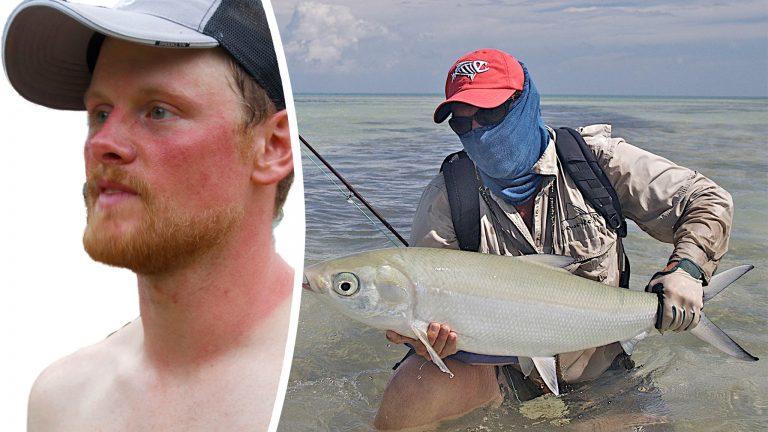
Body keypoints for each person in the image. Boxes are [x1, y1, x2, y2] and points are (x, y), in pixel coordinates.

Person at [374, 48, 733, 430]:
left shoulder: (595, 161)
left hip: (599, 369)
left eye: (491, 113)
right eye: (462, 124)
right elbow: (432, 308)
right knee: (411, 390)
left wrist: (687, 269)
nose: (478, 132)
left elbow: (707, 199)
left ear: (526, 102)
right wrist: (425, 339)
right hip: (498, 372)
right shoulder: (447, 198)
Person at [3, 0, 295, 430]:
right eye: (100, 112)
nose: (102, 142)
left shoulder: (301, 382)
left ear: (271, 148)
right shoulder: (61, 401)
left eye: (158, 110)